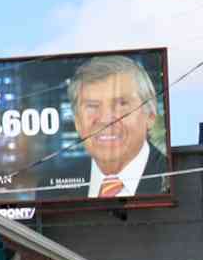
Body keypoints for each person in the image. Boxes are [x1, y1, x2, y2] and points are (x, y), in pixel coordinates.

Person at [69, 55, 168, 199]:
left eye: (122, 104)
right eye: (92, 106)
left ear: (150, 116)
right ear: (77, 122)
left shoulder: (173, 175)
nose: (105, 119)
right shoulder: (51, 186)